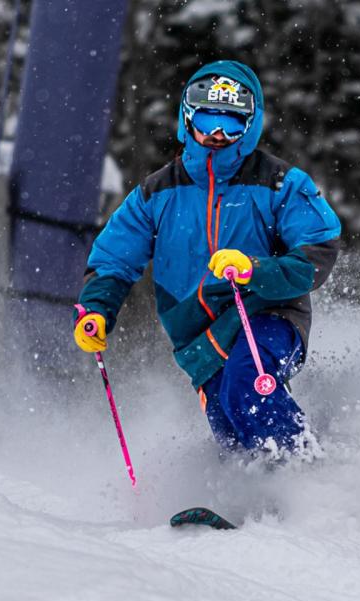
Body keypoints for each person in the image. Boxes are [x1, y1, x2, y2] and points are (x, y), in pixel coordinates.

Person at [73, 59, 341, 459]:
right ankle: (260, 504)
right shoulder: (157, 193)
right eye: (206, 121)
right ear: (186, 120)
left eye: (232, 124)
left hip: (268, 315)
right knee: (230, 426)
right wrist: (96, 309)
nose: (217, 134)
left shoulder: (280, 183)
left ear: (250, 128)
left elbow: (317, 250)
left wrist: (257, 270)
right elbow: (114, 257)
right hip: (198, 338)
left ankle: (310, 474)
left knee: (247, 385)